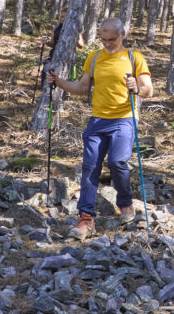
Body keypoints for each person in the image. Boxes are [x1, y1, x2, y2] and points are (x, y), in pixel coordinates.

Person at [46, 17, 153, 239]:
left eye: (111, 39)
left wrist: (136, 88)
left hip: (124, 119)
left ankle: (125, 204)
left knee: (117, 162)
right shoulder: (95, 57)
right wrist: (59, 82)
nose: (107, 44)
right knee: (90, 166)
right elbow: (82, 87)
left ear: (122, 34)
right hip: (97, 120)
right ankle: (86, 219)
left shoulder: (134, 57)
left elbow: (148, 90)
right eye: (103, 39)